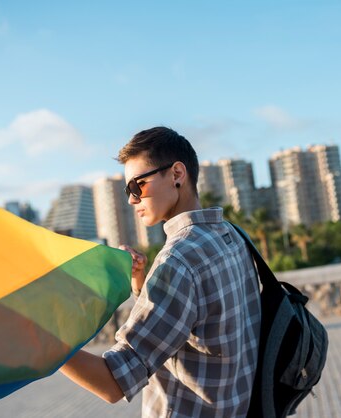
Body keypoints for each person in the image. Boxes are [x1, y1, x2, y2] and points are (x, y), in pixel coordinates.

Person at [60, 126, 261, 417]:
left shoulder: (179, 261)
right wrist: (142, 282)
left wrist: (42, 344)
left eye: (137, 185)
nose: (131, 199)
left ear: (177, 174)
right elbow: (195, 323)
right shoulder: (231, 235)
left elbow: (114, 381)